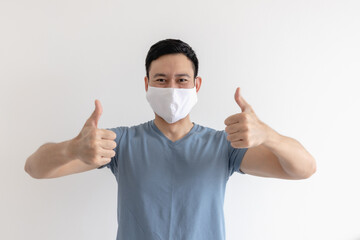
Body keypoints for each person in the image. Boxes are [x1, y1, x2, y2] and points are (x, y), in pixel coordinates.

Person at [24, 39, 316, 240]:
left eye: (182, 80)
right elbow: (35, 168)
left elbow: (304, 168)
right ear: (147, 84)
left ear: (196, 84)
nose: (172, 88)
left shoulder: (223, 147)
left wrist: (269, 135)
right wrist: (72, 148)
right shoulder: (121, 143)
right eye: (161, 80)